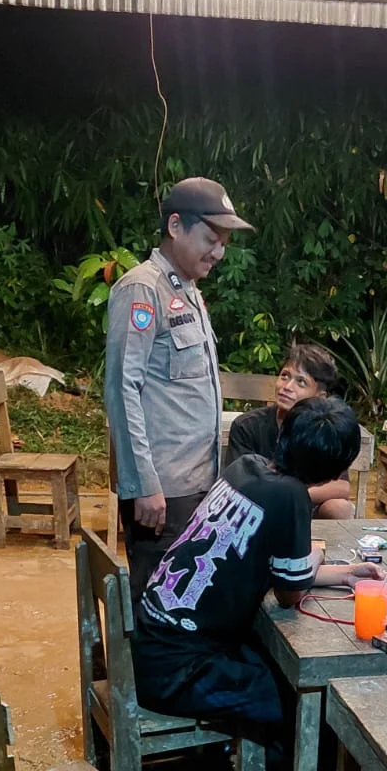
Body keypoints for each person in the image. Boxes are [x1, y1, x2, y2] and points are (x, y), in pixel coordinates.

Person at [133, 396, 383, 771]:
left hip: (155, 641)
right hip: (180, 671)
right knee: (312, 704)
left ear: (284, 435)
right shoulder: (290, 497)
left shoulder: (245, 468)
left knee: (279, 675)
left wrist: (345, 573)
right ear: (335, 469)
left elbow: (276, 569)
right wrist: (315, 556)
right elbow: (289, 594)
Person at [105, 176, 253, 602]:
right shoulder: (141, 289)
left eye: (224, 243)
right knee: (158, 606)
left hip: (196, 485)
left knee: (186, 600)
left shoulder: (186, 289)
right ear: (175, 226)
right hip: (162, 495)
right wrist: (143, 485)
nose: (218, 253)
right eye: (211, 239)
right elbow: (122, 390)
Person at [226, 341, 355, 520]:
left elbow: (342, 487)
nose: (287, 387)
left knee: (339, 507)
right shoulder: (247, 426)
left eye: (301, 382)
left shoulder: (323, 428)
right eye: (285, 376)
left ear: (320, 397)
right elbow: (239, 485)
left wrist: (293, 496)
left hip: (305, 505)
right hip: (257, 507)